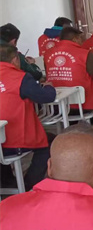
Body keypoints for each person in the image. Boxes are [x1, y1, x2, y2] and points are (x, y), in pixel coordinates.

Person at [0, 45, 56, 190]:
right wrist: (49, 87)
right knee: (48, 143)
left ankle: (6, 181)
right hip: (14, 141)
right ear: (15, 60)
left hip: (2, 140)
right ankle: (28, 184)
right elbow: (46, 97)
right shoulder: (20, 78)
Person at [44, 26, 93, 115]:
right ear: (75, 39)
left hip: (56, 105)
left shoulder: (48, 54)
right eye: (80, 38)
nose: (82, 41)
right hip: (82, 105)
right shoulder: (84, 54)